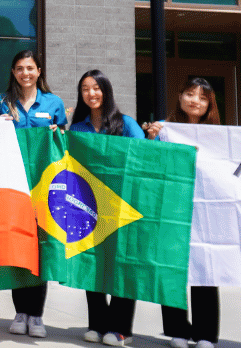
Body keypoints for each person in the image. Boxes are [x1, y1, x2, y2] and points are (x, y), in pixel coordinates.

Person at [142, 78, 223, 348]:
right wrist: (151, 139)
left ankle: (205, 334)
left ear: (209, 104)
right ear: (179, 96)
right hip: (172, 208)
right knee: (172, 268)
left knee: (204, 271)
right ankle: (177, 330)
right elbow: (151, 166)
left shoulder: (220, 136)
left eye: (202, 97)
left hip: (206, 210)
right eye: (189, 94)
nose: (194, 101)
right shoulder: (165, 130)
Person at [0, 50, 64, 339]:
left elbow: (65, 143)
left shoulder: (53, 103)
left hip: (44, 188)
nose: (25, 73)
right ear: (13, 72)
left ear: (39, 71)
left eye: (30, 68)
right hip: (13, 184)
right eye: (19, 68)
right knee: (17, 245)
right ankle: (20, 312)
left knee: (41, 246)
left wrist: (59, 131)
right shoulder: (1, 102)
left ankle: (37, 315)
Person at [68, 69, 143, 346]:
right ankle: (97, 324)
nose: (91, 93)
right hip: (89, 207)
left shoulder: (126, 124)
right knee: (94, 263)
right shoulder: (77, 128)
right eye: (86, 89)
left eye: (96, 88)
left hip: (123, 206)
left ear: (106, 91)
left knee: (122, 265)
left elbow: (144, 156)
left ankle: (121, 329)